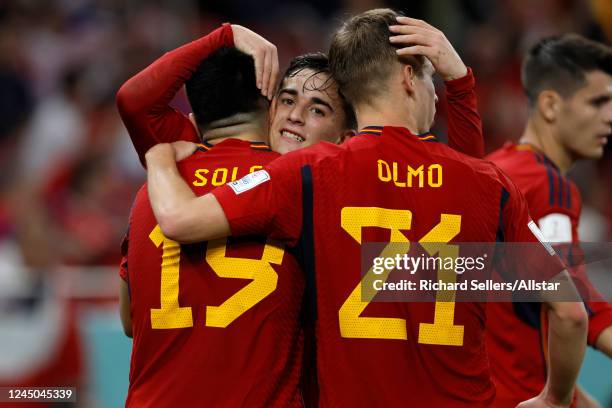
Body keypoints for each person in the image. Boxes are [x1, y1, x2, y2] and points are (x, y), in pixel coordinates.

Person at [143, 9, 587, 407]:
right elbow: (569, 313)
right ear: (410, 78)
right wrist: (553, 399)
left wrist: (160, 158)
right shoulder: (490, 184)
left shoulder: (306, 174)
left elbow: (181, 219)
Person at [117, 26, 306, 407]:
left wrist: (223, 36)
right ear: (271, 103)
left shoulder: (159, 183)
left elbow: (129, 321)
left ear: (193, 110)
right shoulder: (295, 182)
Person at [486, 34, 612, 407]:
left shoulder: (493, 170)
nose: (610, 116)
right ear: (551, 105)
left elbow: (518, 307)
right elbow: (574, 310)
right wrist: (557, 398)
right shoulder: (547, 187)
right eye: (598, 101)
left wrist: (572, 393)